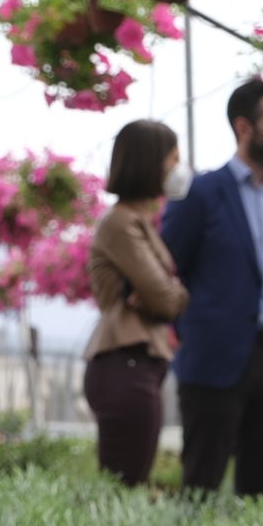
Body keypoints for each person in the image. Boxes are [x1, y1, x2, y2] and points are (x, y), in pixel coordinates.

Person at [161, 79, 263, 497]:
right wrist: (193, 330)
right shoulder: (201, 193)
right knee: (201, 483)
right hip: (214, 357)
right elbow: (168, 265)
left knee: (261, 487)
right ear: (244, 127)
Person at [83, 120, 190, 486]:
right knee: (124, 484)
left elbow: (159, 293)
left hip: (137, 362)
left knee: (130, 479)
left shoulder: (138, 222)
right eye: (173, 159)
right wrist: (171, 292)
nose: (179, 169)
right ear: (151, 162)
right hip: (125, 361)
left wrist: (163, 292)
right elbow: (164, 299)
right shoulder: (122, 223)